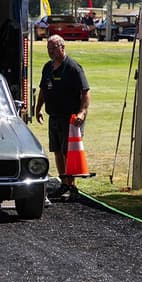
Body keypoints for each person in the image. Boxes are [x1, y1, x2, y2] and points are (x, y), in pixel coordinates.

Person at [35, 35, 91, 200]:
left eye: (53, 48)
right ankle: (63, 182)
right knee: (57, 150)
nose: (50, 52)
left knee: (69, 152)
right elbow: (43, 90)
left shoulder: (73, 68)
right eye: (48, 49)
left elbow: (86, 92)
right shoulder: (47, 68)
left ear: (62, 47)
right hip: (54, 116)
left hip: (70, 118)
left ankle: (71, 185)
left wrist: (82, 112)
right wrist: (38, 108)